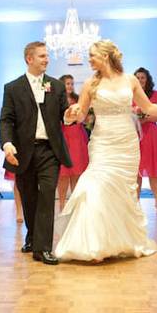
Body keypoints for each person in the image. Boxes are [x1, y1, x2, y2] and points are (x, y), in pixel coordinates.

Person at [54, 40, 157, 262]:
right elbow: (80, 114)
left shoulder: (129, 80)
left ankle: (118, 241)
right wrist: (70, 116)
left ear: (106, 56)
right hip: (102, 141)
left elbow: (148, 107)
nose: (89, 59)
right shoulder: (91, 83)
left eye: (92, 56)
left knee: (120, 193)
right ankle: (93, 244)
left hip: (127, 143)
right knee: (94, 186)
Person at [0, 42, 69, 263]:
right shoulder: (12, 88)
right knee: (29, 198)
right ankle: (32, 234)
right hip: (23, 152)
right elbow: (6, 120)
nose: (46, 59)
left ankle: (43, 248)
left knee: (48, 195)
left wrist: (71, 115)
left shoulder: (56, 86)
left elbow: (63, 116)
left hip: (50, 150)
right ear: (29, 59)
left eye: (47, 56)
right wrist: (7, 144)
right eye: (41, 56)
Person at [133, 67, 157, 214]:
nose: (140, 80)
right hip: (134, 135)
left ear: (147, 80)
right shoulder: (129, 95)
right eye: (138, 77)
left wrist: (146, 118)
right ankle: (135, 203)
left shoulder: (155, 94)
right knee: (136, 171)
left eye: (143, 78)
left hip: (151, 134)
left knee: (153, 169)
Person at [57, 73, 88, 212]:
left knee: (76, 171)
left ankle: (74, 204)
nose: (70, 86)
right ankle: (62, 204)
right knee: (63, 173)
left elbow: (85, 116)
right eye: (67, 83)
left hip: (77, 135)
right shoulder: (57, 99)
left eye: (71, 83)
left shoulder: (78, 99)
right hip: (63, 134)